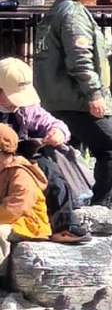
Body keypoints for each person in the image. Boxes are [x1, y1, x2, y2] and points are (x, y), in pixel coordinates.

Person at [33, 0, 112, 213]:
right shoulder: (73, 14)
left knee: (68, 152)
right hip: (75, 100)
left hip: (58, 98)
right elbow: (79, 60)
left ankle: (66, 206)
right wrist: (94, 94)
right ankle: (101, 209)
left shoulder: (59, 8)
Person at [0, 57, 86, 234]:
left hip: (19, 159)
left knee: (49, 167)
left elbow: (53, 123)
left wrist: (58, 133)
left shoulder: (26, 108)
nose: (17, 102)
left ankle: (65, 226)